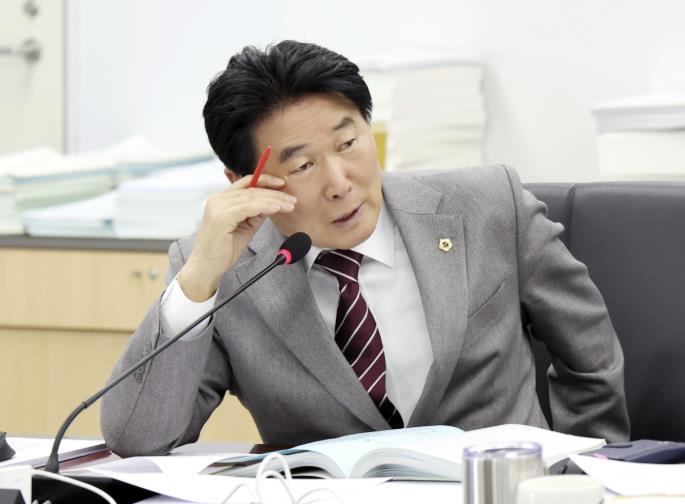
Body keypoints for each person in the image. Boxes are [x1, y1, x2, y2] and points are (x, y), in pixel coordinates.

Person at [101, 40, 630, 456]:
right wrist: (198, 281)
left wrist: (585, 470)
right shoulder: (227, 271)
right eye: (302, 165)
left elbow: (590, 355)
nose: (339, 183)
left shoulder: (490, 204)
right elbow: (138, 438)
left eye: (349, 143)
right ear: (244, 181)